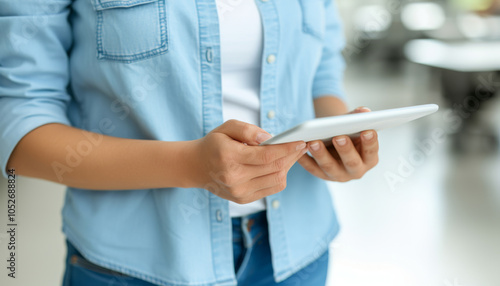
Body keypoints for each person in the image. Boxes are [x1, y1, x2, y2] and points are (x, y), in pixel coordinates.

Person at [0, 0, 379, 285]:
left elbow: (322, 69)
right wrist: (191, 165)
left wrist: (334, 140)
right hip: (137, 265)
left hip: (298, 254)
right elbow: (20, 129)